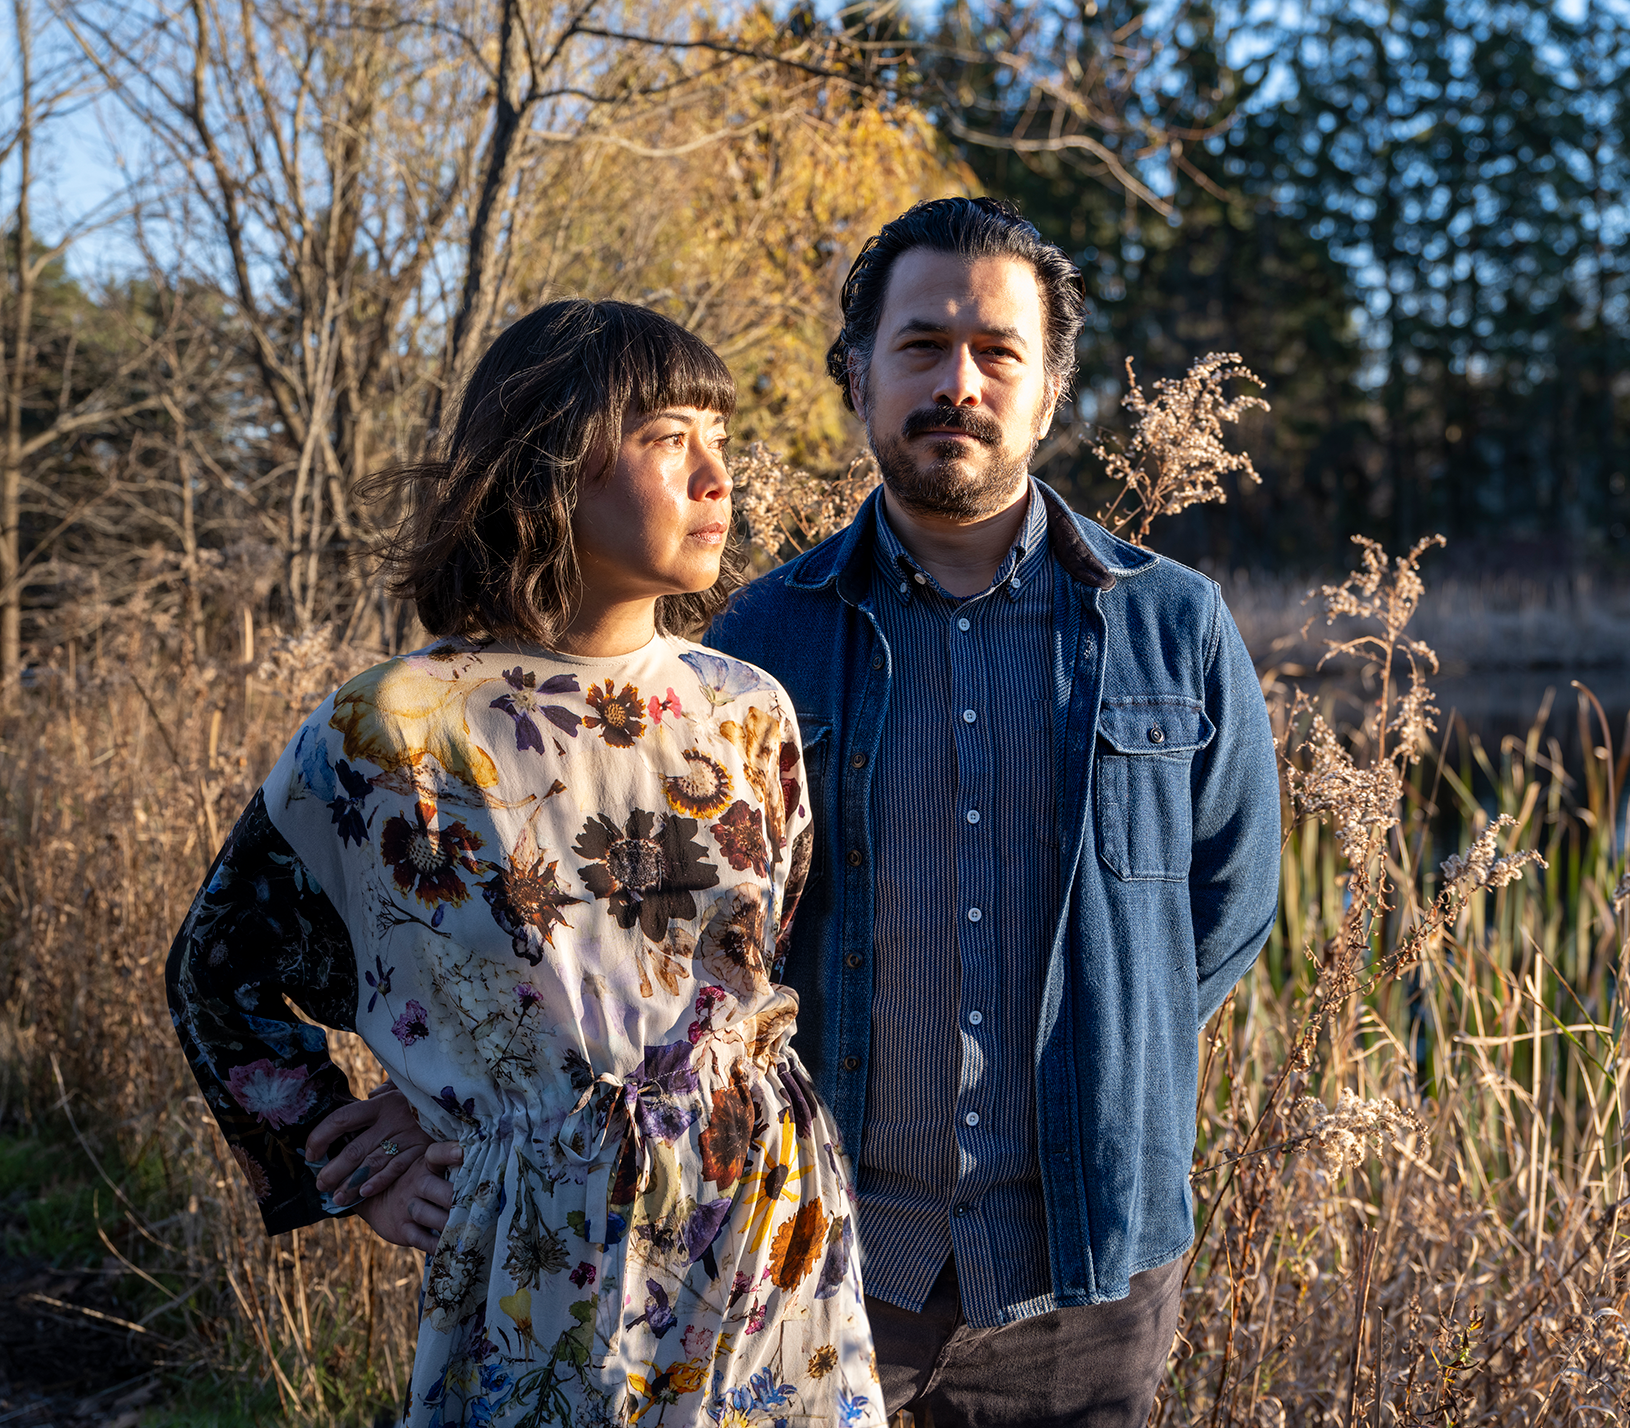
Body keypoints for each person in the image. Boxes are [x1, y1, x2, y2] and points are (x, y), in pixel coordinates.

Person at [165, 300, 882, 1428]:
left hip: (765, 1223)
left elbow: (759, 963)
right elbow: (219, 970)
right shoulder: (395, 729)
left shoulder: (747, 710)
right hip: (545, 1251)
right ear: (548, 462)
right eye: (667, 438)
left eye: (720, 438)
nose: (717, 478)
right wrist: (355, 1155)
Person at [706, 198, 1285, 1424]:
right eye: (920, 346)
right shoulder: (760, 641)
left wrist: (1115, 1043)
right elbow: (705, 934)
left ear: (1051, 389)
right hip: (818, 1243)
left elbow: (1231, 901)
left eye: (997, 353)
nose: (956, 384)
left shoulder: (1173, 625)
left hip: (1087, 1268)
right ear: (858, 374)